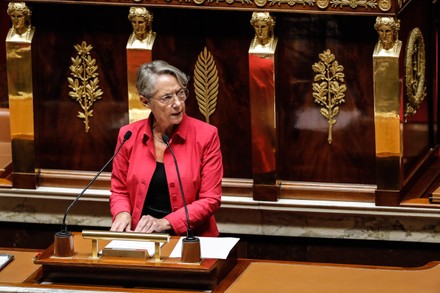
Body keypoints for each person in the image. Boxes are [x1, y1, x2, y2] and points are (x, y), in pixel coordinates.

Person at [110, 60, 223, 237]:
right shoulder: (128, 135)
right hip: (142, 236)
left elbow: (211, 199)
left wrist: (165, 223)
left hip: (192, 239)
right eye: (167, 97)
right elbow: (119, 190)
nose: (177, 103)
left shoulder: (206, 135)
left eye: (180, 93)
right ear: (145, 102)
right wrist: (122, 213)